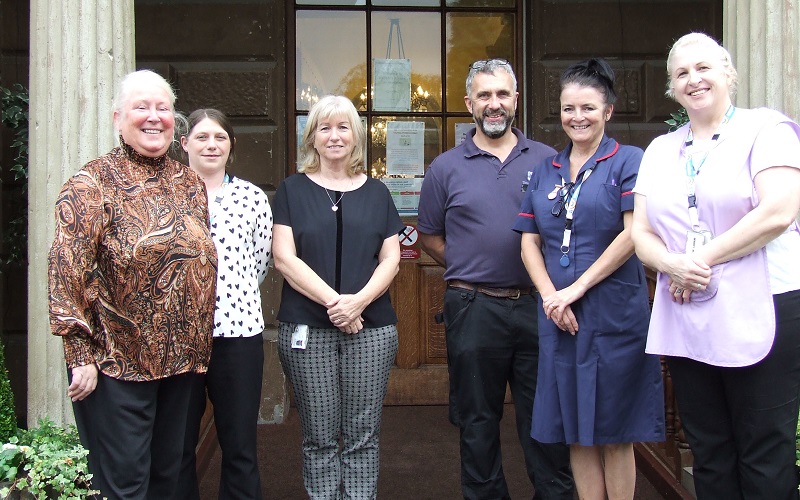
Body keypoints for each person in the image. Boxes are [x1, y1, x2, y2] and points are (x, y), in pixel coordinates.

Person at [631, 32, 800, 499]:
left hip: (765, 307)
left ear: (729, 74)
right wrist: (669, 263)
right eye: (681, 73)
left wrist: (697, 260)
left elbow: (779, 212)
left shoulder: (767, 130)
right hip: (690, 314)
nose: (693, 79)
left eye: (704, 67)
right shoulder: (662, 150)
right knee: (708, 450)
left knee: (764, 452)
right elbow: (640, 231)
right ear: (672, 88)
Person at [48, 69, 217, 499]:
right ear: (117, 117)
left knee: (171, 477)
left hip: (182, 364)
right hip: (118, 364)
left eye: (163, 108)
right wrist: (78, 353)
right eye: (141, 107)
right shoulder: (91, 184)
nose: (153, 117)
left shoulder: (189, 183)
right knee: (125, 484)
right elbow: (68, 270)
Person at [417, 58, 574, 499]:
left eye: (502, 94)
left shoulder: (549, 161)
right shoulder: (445, 168)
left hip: (537, 306)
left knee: (545, 417)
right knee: (477, 420)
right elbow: (429, 236)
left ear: (516, 101)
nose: (494, 104)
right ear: (469, 104)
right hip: (473, 308)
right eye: (484, 95)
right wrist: (470, 262)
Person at [513, 59, 665, 500]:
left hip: (613, 315)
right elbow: (528, 242)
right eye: (568, 108)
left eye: (588, 108)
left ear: (608, 111)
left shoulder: (629, 161)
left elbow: (633, 233)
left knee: (615, 431)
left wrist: (574, 291)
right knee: (573, 428)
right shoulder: (546, 168)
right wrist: (549, 297)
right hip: (558, 316)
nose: (577, 117)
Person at [272, 95, 403, 499]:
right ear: (312, 137)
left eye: (343, 127)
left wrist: (358, 302)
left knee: (363, 434)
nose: (334, 136)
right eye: (324, 128)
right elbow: (284, 258)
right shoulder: (291, 190)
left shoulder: (378, 192)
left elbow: (391, 258)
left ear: (356, 137)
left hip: (371, 329)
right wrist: (338, 304)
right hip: (307, 330)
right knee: (319, 434)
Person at [178, 109, 273, 499]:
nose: (211, 144)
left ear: (231, 145)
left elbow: (261, 261)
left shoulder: (251, 197)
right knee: (178, 446)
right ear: (183, 144)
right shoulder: (167, 195)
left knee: (239, 447)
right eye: (201, 137)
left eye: (219, 137)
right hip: (177, 339)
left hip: (238, 335)